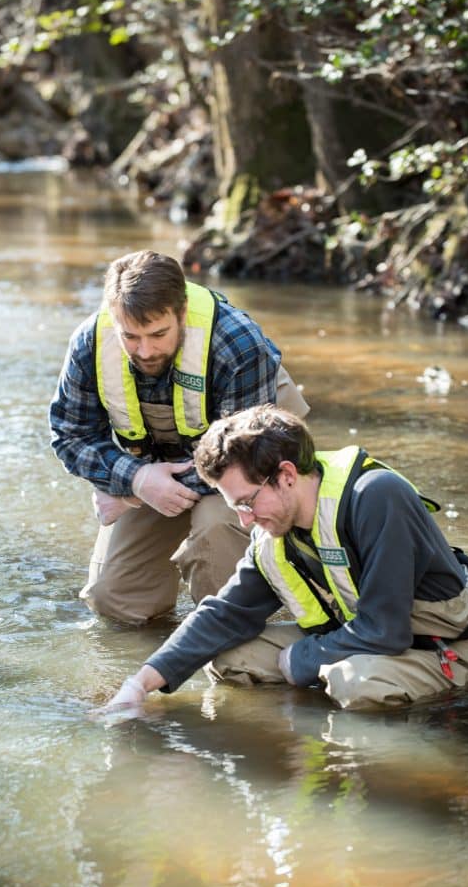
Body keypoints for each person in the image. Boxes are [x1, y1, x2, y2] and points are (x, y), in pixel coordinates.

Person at [105, 404, 468, 712]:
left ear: (286, 475)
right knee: (228, 657)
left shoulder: (377, 497)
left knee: (356, 683)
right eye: (236, 508)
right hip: (362, 641)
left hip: (443, 650)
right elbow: (222, 615)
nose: (245, 522)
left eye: (247, 502)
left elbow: (387, 631)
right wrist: (138, 685)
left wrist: (303, 659)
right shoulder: (274, 531)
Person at [49, 250, 310, 625]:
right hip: (157, 464)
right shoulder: (90, 343)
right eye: (130, 336)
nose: (145, 350)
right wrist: (136, 481)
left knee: (215, 531)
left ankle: (231, 630)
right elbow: (70, 434)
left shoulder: (237, 343)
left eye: (158, 334)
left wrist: (133, 492)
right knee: (114, 600)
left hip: (251, 459)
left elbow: (247, 458)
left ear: (182, 313)